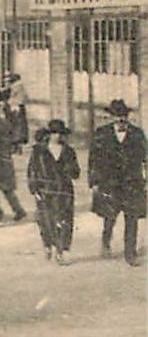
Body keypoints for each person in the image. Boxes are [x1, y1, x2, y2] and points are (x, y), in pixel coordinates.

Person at [88, 99, 146, 265]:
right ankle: (106, 241)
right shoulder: (101, 134)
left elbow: (146, 158)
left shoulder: (137, 134)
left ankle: (130, 253)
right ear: (111, 117)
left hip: (132, 183)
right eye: (117, 116)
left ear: (127, 117)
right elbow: (94, 159)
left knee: (132, 217)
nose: (121, 120)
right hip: (110, 183)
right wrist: (95, 182)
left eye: (123, 116)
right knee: (110, 216)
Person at [27, 120, 80, 264]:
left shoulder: (69, 151)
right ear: (49, 134)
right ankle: (48, 245)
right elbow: (32, 170)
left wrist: (69, 169)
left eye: (60, 134)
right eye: (54, 133)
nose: (57, 137)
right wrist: (34, 189)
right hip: (45, 190)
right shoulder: (38, 151)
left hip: (64, 190)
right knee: (46, 220)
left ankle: (62, 250)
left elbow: (76, 172)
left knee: (65, 220)